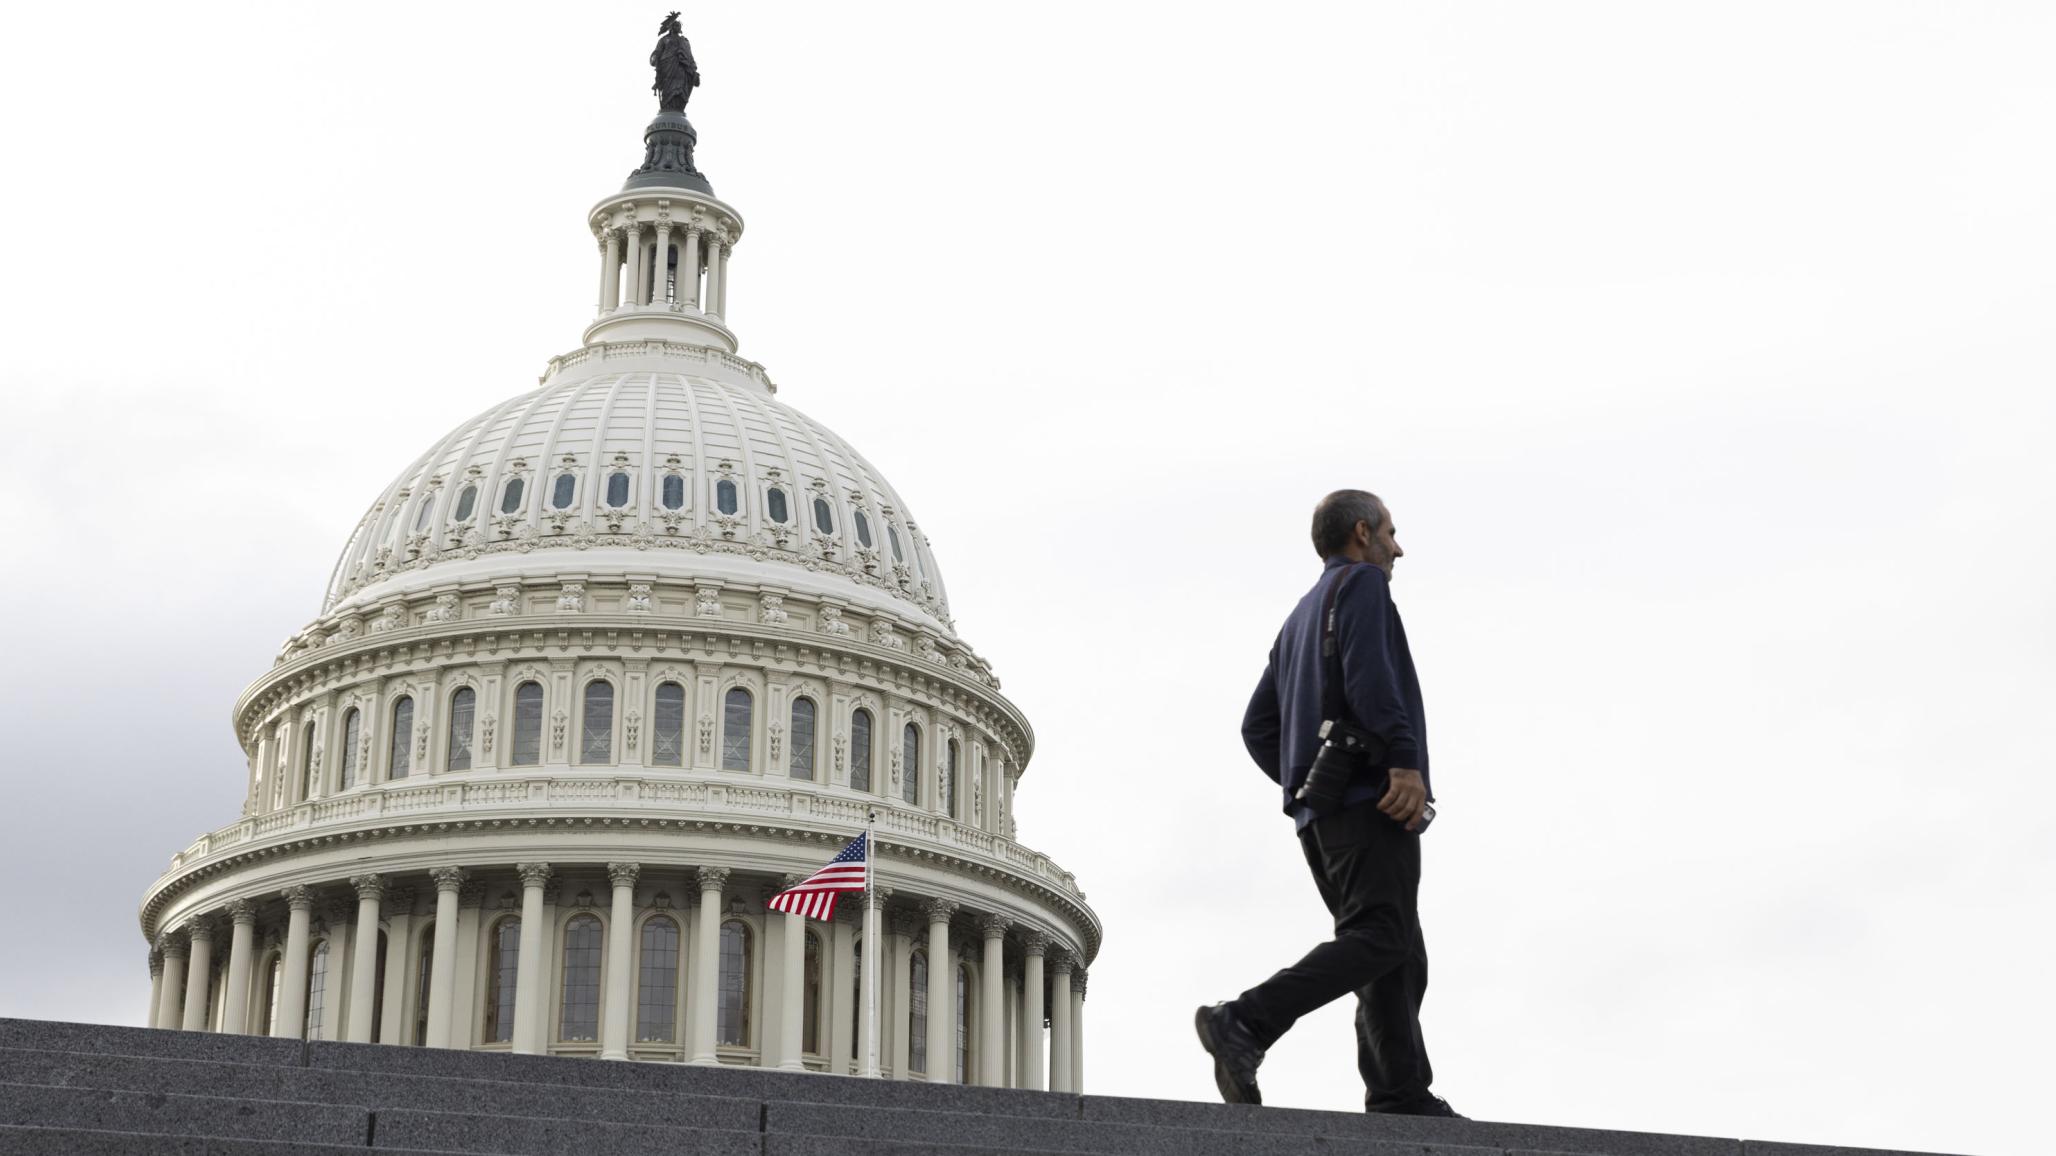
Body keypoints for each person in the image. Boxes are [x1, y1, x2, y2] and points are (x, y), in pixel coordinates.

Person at [1195, 489, 1461, 1118]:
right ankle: (1247, 1020)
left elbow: (1258, 727)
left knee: (1393, 947)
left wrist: (1309, 783)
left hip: (1324, 814)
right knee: (1384, 937)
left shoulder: (1298, 617)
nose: (1399, 548)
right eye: (1392, 533)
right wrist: (1401, 761)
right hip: (1373, 800)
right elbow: (1371, 677)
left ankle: (1399, 1093)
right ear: (1363, 533)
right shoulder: (1364, 586)